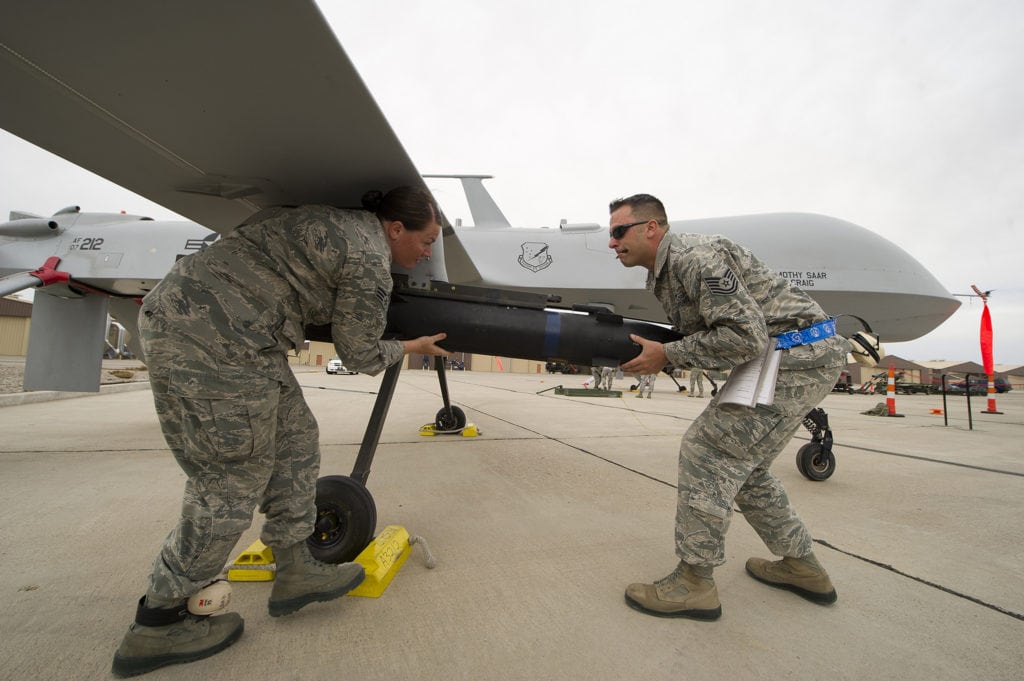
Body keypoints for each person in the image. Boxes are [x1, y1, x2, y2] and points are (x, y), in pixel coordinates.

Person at [111, 186, 450, 677]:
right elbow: (359, 354)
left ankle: (295, 568)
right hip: (212, 337)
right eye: (426, 241)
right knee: (230, 480)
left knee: (295, 439)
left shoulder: (331, 218)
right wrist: (410, 346)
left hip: (237, 334)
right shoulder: (369, 259)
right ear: (395, 228)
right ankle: (158, 621)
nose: (427, 254)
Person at [608, 193, 848, 621]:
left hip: (794, 357)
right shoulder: (668, 269)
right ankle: (802, 566)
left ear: (651, 227)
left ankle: (694, 583)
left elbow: (745, 338)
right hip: (786, 358)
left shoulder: (692, 258)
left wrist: (669, 355)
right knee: (746, 469)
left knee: (708, 451)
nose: (612, 242)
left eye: (618, 231)